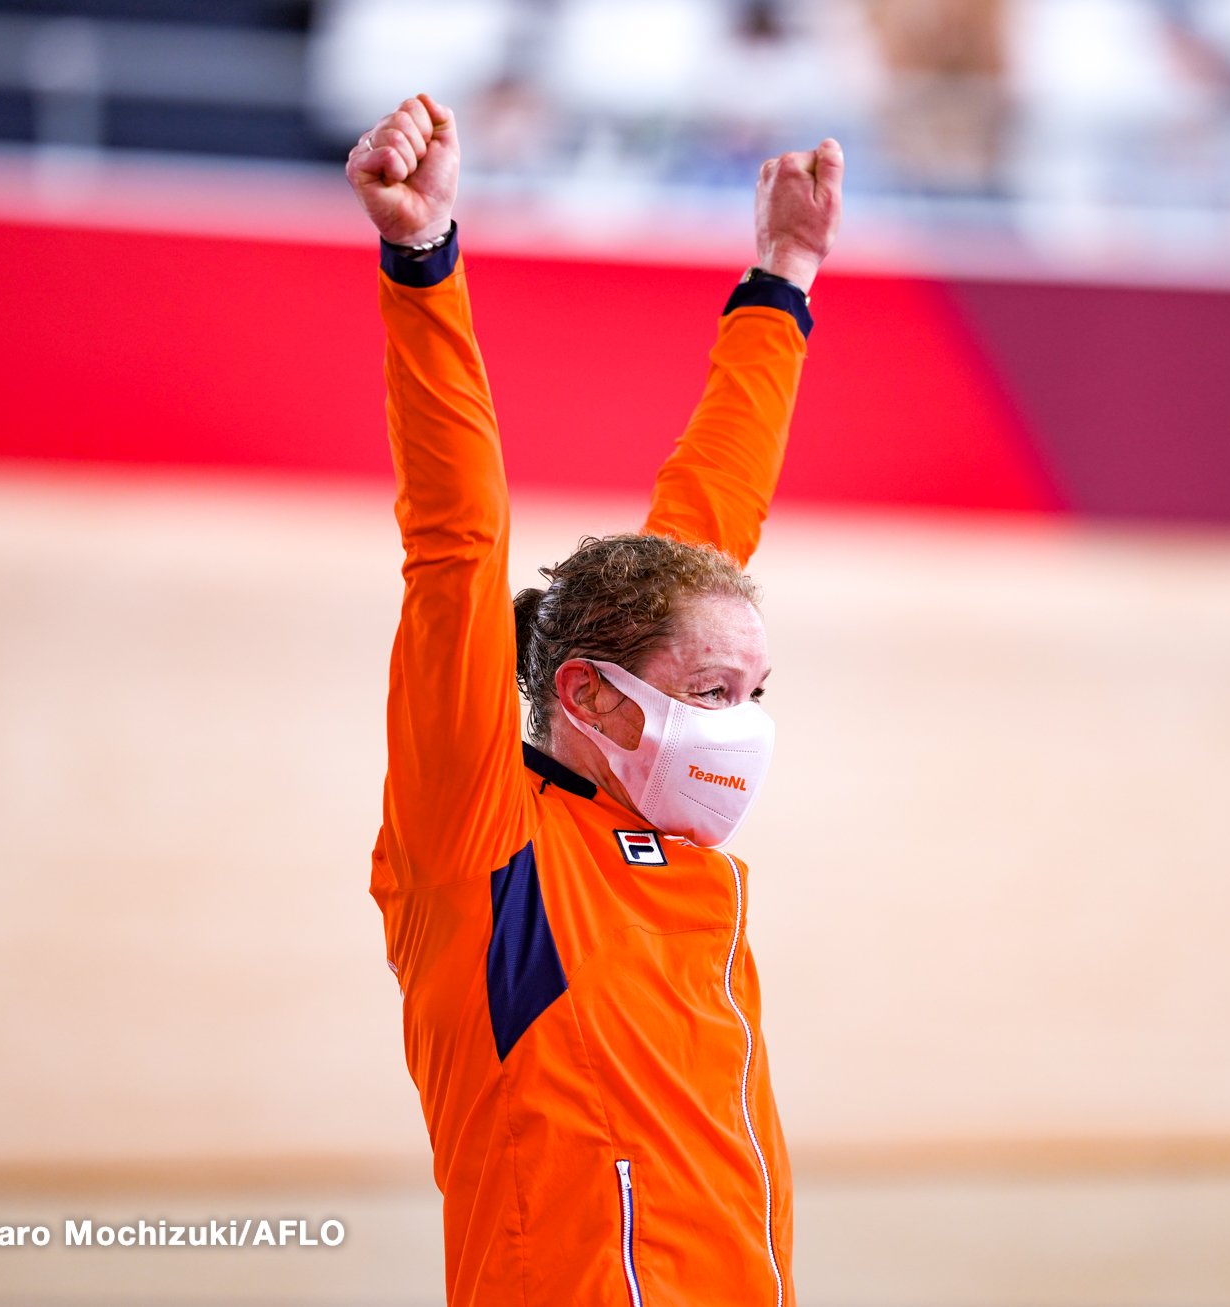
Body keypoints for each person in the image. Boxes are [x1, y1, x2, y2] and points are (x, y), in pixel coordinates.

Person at [344, 94, 842, 1307]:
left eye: (756, 690)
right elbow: (457, 542)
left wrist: (783, 277)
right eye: (714, 692)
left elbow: (710, 527)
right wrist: (424, 260)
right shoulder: (480, 838)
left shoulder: (672, 830)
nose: (742, 724)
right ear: (590, 697)